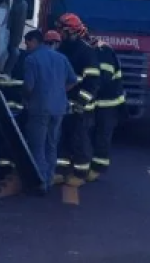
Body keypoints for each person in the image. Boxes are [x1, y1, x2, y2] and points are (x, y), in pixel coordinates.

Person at [21, 29, 79, 191]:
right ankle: (49, 178)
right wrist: (59, 91)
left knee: (38, 145)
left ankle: (41, 182)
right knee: (52, 145)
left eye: (28, 43)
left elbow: (28, 86)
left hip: (39, 108)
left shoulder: (31, 59)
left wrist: (25, 98)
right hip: (59, 108)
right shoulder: (62, 58)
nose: (26, 47)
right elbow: (73, 81)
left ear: (36, 41)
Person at [54, 13, 101, 187]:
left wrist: (81, 103)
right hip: (64, 105)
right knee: (62, 139)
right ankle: (61, 171)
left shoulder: (85, 52)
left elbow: (93, 82)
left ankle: (81, 173)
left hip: (81, 107)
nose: (60, 34)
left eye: (62, 30)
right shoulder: (62, 49)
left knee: (80, 140)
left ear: (72, 31)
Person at [88, 37, 126, 182]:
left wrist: (87, 92)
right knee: (94, 134)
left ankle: (98, 169)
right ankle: (91, 165)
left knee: (102, 136)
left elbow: (103, 78)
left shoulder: (103, 51)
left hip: (108, 103)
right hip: (99, 102)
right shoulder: (95, 50)